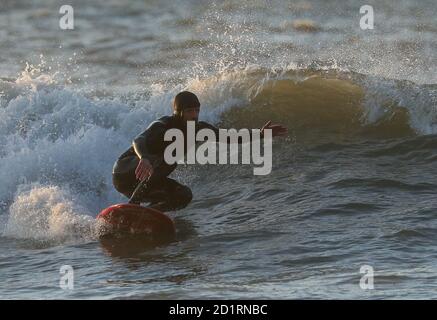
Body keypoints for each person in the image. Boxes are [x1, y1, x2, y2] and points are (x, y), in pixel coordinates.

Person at [112, 91, 287, 211]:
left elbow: (230, 137)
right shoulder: (163, 125)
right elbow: (138, 140)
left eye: (197, 110)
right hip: (125, 171)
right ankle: (134, 205)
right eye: (189, 111)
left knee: (183, 195)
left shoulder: (197, 129)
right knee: (165, 156)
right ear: (178, 113)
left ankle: (147, 214)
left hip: (148, 180)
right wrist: (145, 158)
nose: (195, 115)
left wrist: (261, 134)